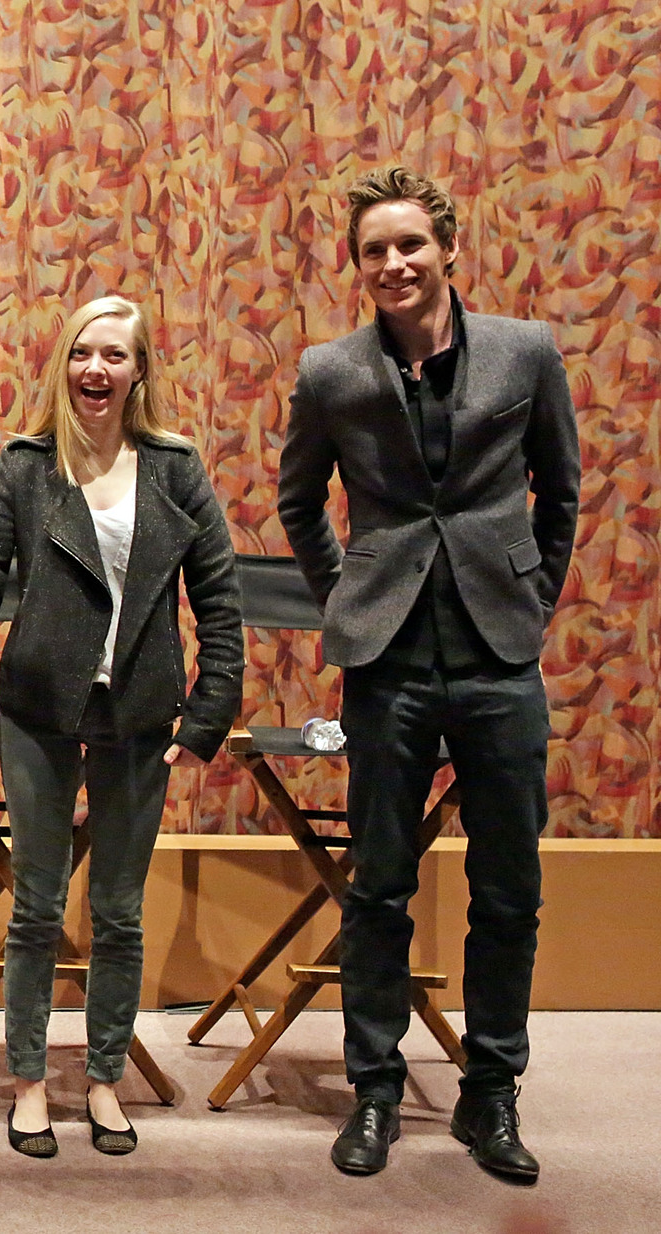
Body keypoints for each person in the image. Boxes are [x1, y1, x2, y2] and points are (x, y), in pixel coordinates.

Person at [279, 167, 579, 1182]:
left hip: (499, 656)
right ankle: (372, 1091)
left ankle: (488, 1095)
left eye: (408, 244)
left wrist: (532, 604)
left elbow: (560, 491)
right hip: (386, 662)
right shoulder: (330, 370)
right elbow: (295, 502)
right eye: (372, 250)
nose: (392, 264)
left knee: (508, 888)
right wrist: (345, 594)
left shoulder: (525, 351)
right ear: (355, 264)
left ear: (445, 246)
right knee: (378, 884)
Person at [0, 295, 241, 1157]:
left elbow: (220, 604)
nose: (95, 370)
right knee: (35, 908)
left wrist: (210, 711)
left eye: (114, 355)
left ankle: (105, 1078)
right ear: (63, 365)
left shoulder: (177, 470)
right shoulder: (25, 466)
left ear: (139, 371)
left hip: (138, 715)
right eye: (81, 354)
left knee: (119, 913)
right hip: (37, 712)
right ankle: (28, 1082)